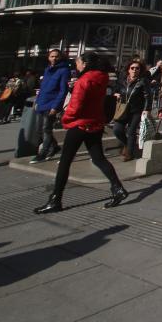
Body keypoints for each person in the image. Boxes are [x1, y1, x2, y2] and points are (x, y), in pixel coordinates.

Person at [34, 52, 127, 213]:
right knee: (98, 158)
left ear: (84, 64)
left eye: (77, 63)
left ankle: (55, 199)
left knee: (65, 161)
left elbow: (75, 106)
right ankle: (117, 187)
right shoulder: (101, 78)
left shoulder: (84, 81)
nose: (76, 66)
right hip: (95, 123)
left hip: (80, 124)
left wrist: (66, 119)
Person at [31, 49, 71, 164]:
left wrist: (55, 106)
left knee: (46, 128)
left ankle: (43, 153)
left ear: (60, 57)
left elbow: (63, 90)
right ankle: (54, 146)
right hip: (42, 102)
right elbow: (43, 87)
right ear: (48, 57)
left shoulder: (64, 70)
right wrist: (37, 101)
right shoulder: (47, 69)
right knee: (40, 129)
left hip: (52, 103)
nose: (54, 58)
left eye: (56, 56)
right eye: (52, 56)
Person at [112, 60, 150, 161]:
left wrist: (146, 109)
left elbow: (147, 96)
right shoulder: (122, 80)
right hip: (123, 109)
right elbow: (115, 89)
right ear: (128, 69)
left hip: (136, 110)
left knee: (131, 131)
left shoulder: (143, 81)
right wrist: (115, 94)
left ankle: (129, 153)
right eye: (132, 68)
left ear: (140, 70)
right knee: (117, 129)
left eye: (137, 68)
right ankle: (127, 144)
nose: (134, 70)